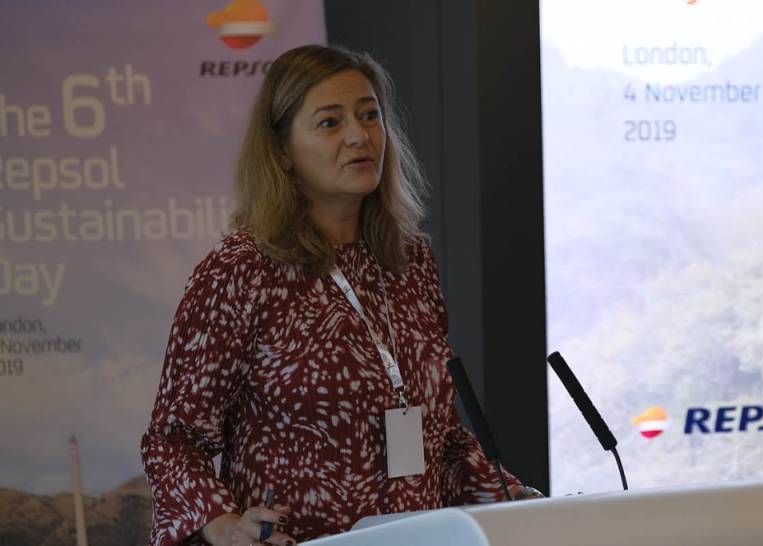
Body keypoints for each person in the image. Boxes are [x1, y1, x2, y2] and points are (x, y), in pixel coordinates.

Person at [141, 44, 536, 546]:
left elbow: (439, 438)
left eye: (370, 115)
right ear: (282, 150)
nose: (359, 135)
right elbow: (172, 441)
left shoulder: (408, 262)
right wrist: (225, 526)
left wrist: (518, 502)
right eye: (330, 122)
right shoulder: (241, 270)